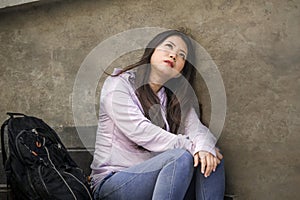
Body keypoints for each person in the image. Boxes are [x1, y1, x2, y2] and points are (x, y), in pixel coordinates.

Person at [90, 29, 225, 200]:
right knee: (179, 158)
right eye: (168, 46)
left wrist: (205, 149)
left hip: (160, 179)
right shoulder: (119, 84)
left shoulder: (173, 99)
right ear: (152, 50)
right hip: (112, 182)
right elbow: (140, 131)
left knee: (212, 158)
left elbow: (198, 130)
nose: (173, 55)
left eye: (182, 55)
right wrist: (193, 148)